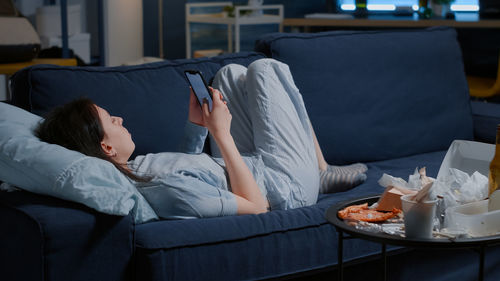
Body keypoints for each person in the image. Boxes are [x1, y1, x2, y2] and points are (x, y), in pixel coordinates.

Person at [36, 59, 367, 219]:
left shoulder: (137, 168)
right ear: (106, 147)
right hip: (286, 189)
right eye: (111, 120)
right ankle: (320, 169)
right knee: (264, 68)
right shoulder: (166, 192)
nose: (120, 119)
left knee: (229, 74)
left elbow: (191, 166)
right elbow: (257, 206)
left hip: (256, 167)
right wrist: (220, 133)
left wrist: (198, 126)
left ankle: (316, 167)